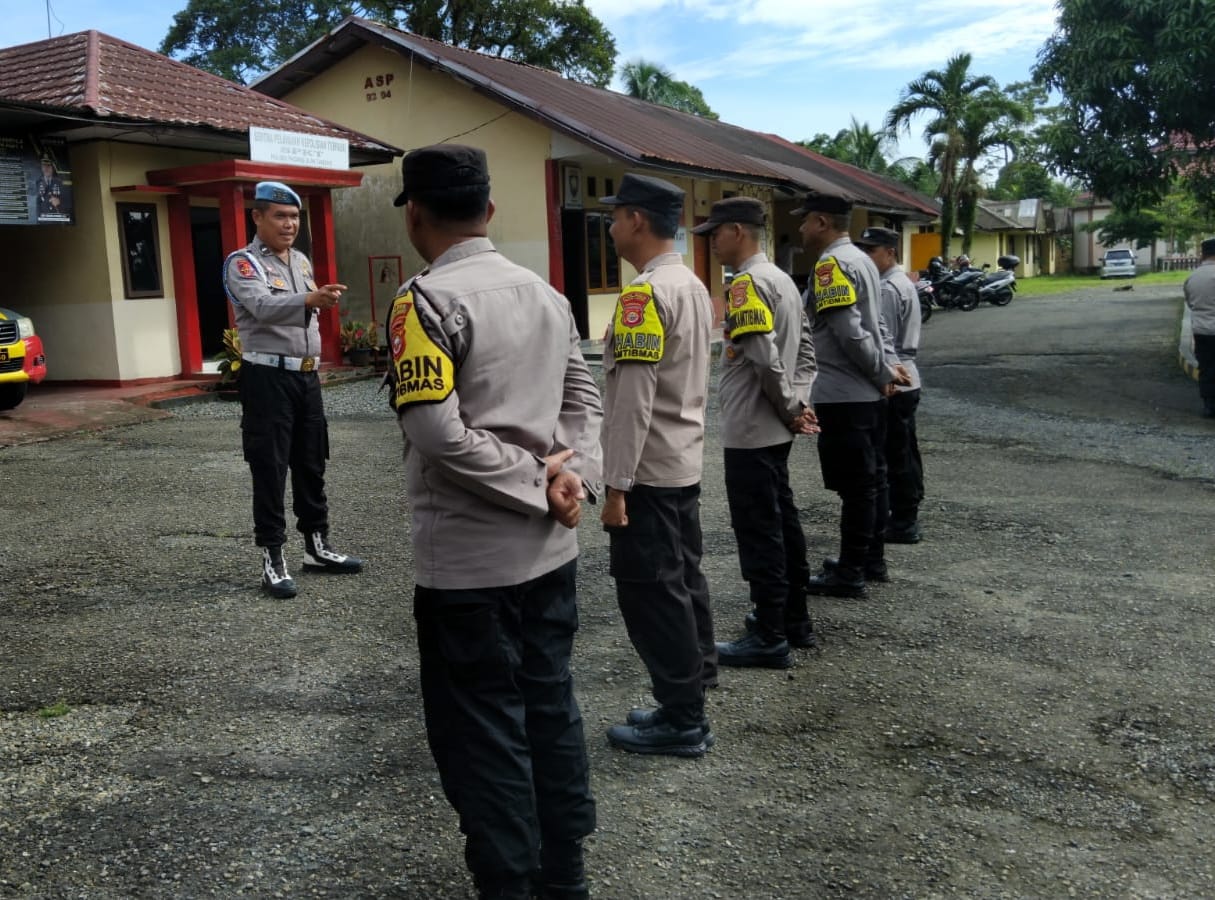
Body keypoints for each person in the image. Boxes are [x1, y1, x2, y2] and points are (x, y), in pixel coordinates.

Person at [388, 144, 602, 900]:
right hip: (549, 553)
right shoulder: (545, 294)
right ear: (488, 209)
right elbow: (584, 401)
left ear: (415, 214)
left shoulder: (423, 301)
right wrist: (571, 479)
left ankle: (509, 884)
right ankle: (565, 876)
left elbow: (437, 433)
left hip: (468, 569)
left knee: (483, 733)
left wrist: (540, 482)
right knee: (549, 707)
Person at [598, 173, 717, 758]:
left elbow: (633, 401)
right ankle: (691, 687)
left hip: (648, 472)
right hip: (680, 462)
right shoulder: (690, 284)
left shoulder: (643, 296)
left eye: (615, 217)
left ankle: (682, 718)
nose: (611, 228)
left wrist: (616, 487)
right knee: (682, 580)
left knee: (652, 594)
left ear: (637, 221)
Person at [692, 197, 818, 670]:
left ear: (737, 232)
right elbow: (806, 352)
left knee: (760, 532)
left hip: (752, 428)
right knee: (783, 523)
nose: (711, 242)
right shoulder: (783, 280)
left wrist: (790, 408)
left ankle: (769, 634)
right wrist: (798, 404)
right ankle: (793, 619)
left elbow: (764, 359)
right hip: (776, 426)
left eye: (715, 233)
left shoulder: (745, 285)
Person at [222, 181, 363, 599]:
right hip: (267, 378)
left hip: (306, 377)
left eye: (295, 217)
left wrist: (314, 298)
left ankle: (317, 546)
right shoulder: (243, 263)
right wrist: (309, 300)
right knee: (270, 467)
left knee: (311, 461)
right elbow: (262, 307)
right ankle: (273, 558)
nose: (290, 224)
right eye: (280, 216)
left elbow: (307, 309)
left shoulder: (300, 261)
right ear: (257, 217)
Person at [795, 192, 909, 599]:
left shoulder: (832, 265)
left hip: (844, 392)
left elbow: (850, 332)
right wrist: (888, 366)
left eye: (805, 220)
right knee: (871, 481)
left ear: (822, 222)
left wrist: (881, 371)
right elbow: (877, 325)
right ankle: (868, 560)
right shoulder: (861, 260)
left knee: (857, 487)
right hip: (865, 392)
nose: (801, 228)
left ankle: (851, 572)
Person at [854, 226, 925, 543]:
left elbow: (883, 342)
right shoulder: (901, 282)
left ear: (890, 252)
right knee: (905, 450)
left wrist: (879, 375)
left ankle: (904, 520)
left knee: (894, 454)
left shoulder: (886, 289)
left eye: (872, 251)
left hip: (896, 378)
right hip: (906, 374)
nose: (866, 257)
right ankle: (906, 514)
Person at [1184, 237, 1215, 418]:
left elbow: (1189, 302)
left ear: (1203, 254)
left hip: (1202, 331)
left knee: (1206, 368)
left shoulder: (1193, 277)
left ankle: (1209, 406)